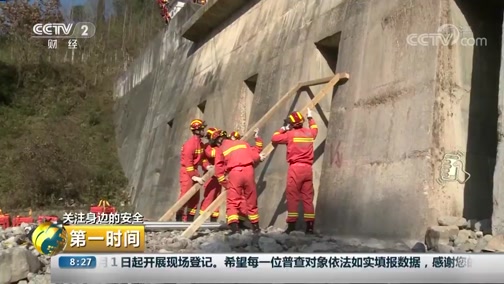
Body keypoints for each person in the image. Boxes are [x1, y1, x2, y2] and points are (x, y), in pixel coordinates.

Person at [271, 108, 318, 234]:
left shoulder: (290, 135)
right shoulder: (309, 133)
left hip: (295, 168)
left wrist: (283, 128)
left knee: (293, 196)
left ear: (292, 124)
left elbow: (274, 138)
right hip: (308, 168)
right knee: (308, 198)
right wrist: (310, 118)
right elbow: (315, 129)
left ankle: (291, 226)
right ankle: (310, 227)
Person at [212, 129, 266, 234]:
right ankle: (256, 227)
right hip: (249, 171)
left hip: (235, 173)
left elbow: (219, 169)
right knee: (251, 199)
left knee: (233, 201)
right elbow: (255, 155)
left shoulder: (220, 149)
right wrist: (259, 157)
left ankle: (234, 228)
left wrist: (225, 183)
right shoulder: (242, 142)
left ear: (218, 142)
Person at [176, 119, 207, 222]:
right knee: (185, 195)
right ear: (197, 130)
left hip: (194, 171)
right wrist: (193, 176)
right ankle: (179, 218)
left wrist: (207, 166)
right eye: (202, 129)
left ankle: (189, 219)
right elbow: (188, 162)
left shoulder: (200, 144)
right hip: (187, 172)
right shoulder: (189, 145)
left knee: (195, 198)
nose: (204, 131)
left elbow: (202, 159)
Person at [199, 127, 221, 222]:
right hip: (210, 177)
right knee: (209, 197)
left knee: (217, 198)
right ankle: (201, 220)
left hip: (218, 176)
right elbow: (211, 154)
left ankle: (213, 220)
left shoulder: (217, 147)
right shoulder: (208, 146)